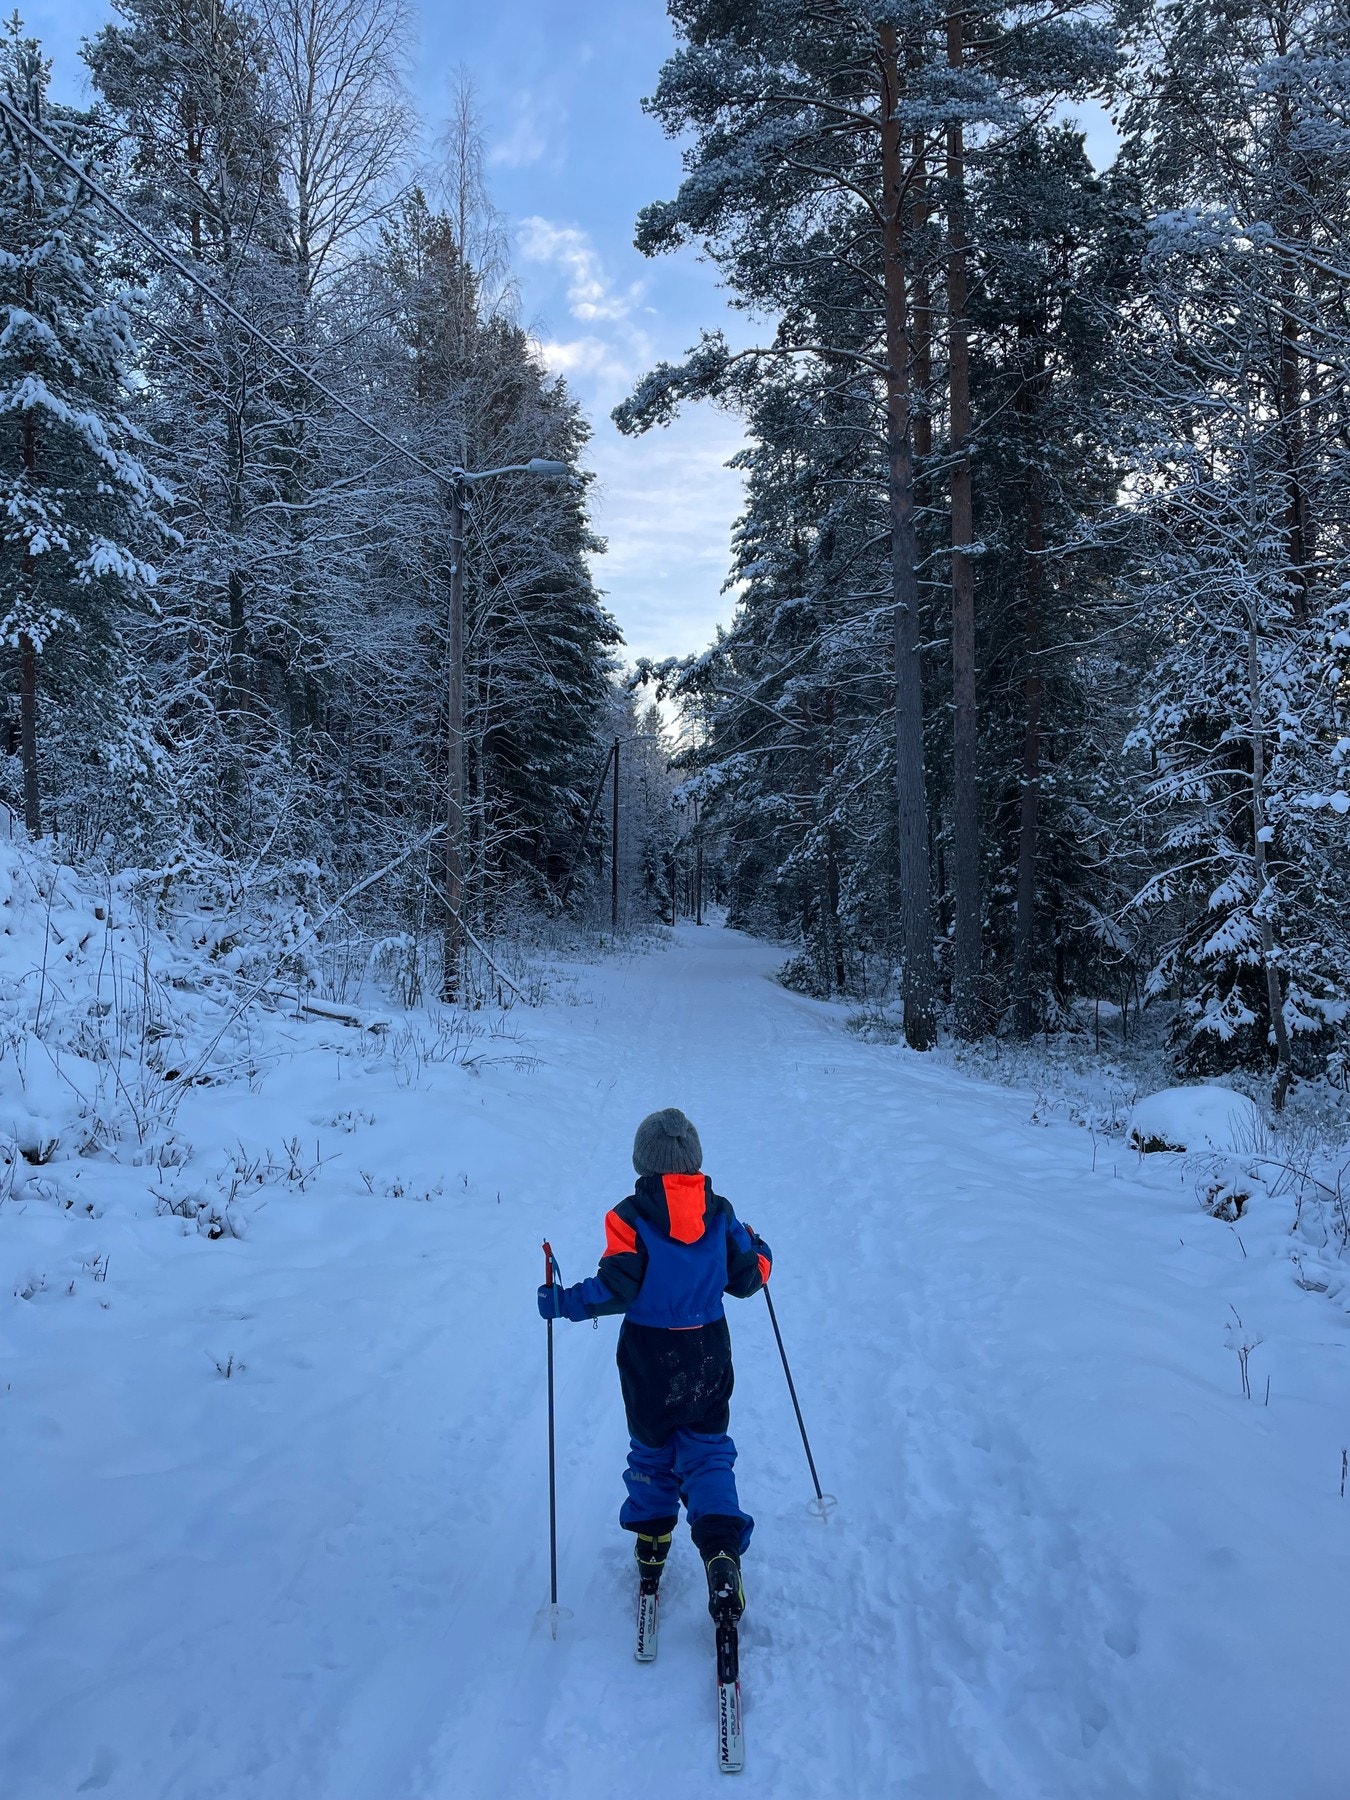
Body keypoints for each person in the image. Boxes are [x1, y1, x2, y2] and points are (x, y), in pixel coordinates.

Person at [536, 1107, 771, 1621]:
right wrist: (763, 1252)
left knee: (652, 1453)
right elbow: (750, 1278)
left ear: (642, 1162)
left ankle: (651, 1545)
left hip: (649, 1356)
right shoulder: (721, 1212)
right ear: (694, 1161)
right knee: (707, 1453)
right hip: (708, 1348)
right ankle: (721, 1553)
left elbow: (616, 1288)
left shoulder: (628, 1216)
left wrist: (562, 1303)